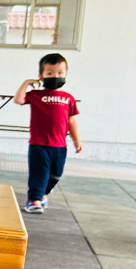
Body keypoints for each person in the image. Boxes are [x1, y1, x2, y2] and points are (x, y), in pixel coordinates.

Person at [14, 53, 82, 214]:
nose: (55, 76)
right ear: (41, 75)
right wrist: (26, 83)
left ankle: (42, 194)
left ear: (66, 74)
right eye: (50, 73)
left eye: (60, 73)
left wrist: (77, 140)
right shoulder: (36, 95)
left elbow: (72, 121)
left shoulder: (68, 98)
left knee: (56, 175)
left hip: (60, 146)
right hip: (39, 144)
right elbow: (18, 100)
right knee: (39, 173)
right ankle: (34, 200)